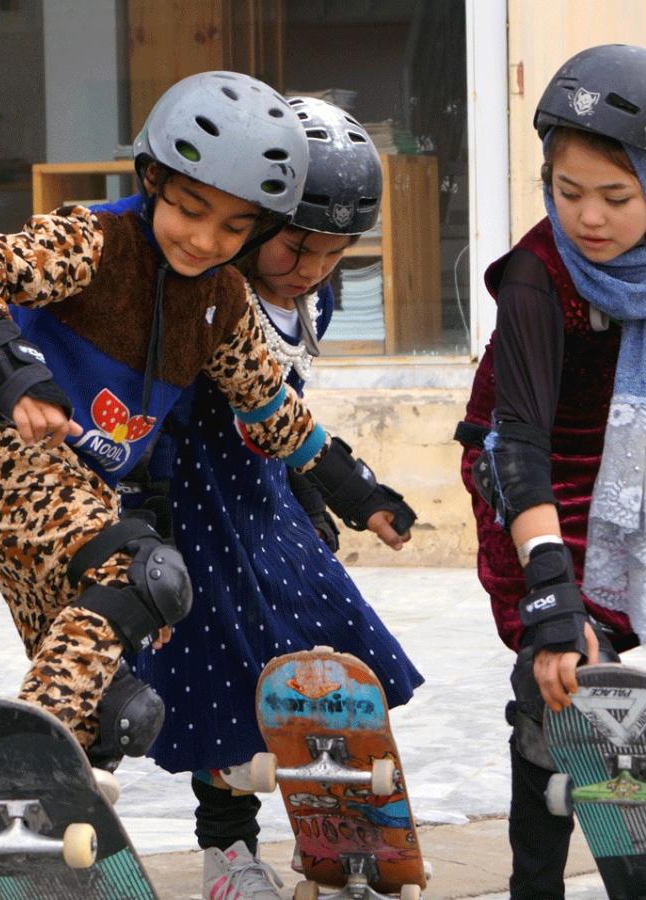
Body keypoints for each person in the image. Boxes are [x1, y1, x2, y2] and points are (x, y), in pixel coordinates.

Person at [0, 72, 416, 792]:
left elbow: (271, 408)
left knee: (119, 702)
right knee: (144, 574)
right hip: (3, 463)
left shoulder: (223, 301)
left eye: (235, 228)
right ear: (153, 178)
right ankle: (28, 762)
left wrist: (350, 485)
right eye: (190, 210)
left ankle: (66, 802)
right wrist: (7, 362)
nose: (206, 240)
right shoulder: (97, 239)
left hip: (75, 490)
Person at [453, 45, 646, 897]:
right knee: (562, 683)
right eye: (566, 190)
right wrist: (550, 596)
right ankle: (534, 883)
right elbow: (513, 445)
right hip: (527, 469)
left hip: (634, 456)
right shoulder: (534, 282)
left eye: (616, 197)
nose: (587, 216)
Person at [127, 97, 425, 899]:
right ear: (255, 218)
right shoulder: (198, 293)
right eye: (296, 247)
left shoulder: (308, 297)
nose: (311, 271)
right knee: (224, 686)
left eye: (334, 255)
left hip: (263, 499)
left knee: (323, 667)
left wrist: (325, 484)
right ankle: (228, 856)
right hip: (187, 506)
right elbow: (158, 418)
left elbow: (283, 407)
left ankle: (341, 842)